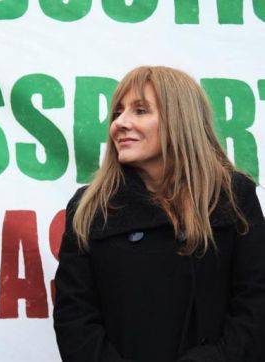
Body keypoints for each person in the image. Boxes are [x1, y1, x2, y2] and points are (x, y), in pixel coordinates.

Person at [53, 66, 265, 362]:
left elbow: (255, 304)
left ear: (180, 119)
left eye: (140, 111)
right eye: (117, 113)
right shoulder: (90, 207)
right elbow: (74, 320)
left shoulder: (233, 195)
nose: (120, 123)